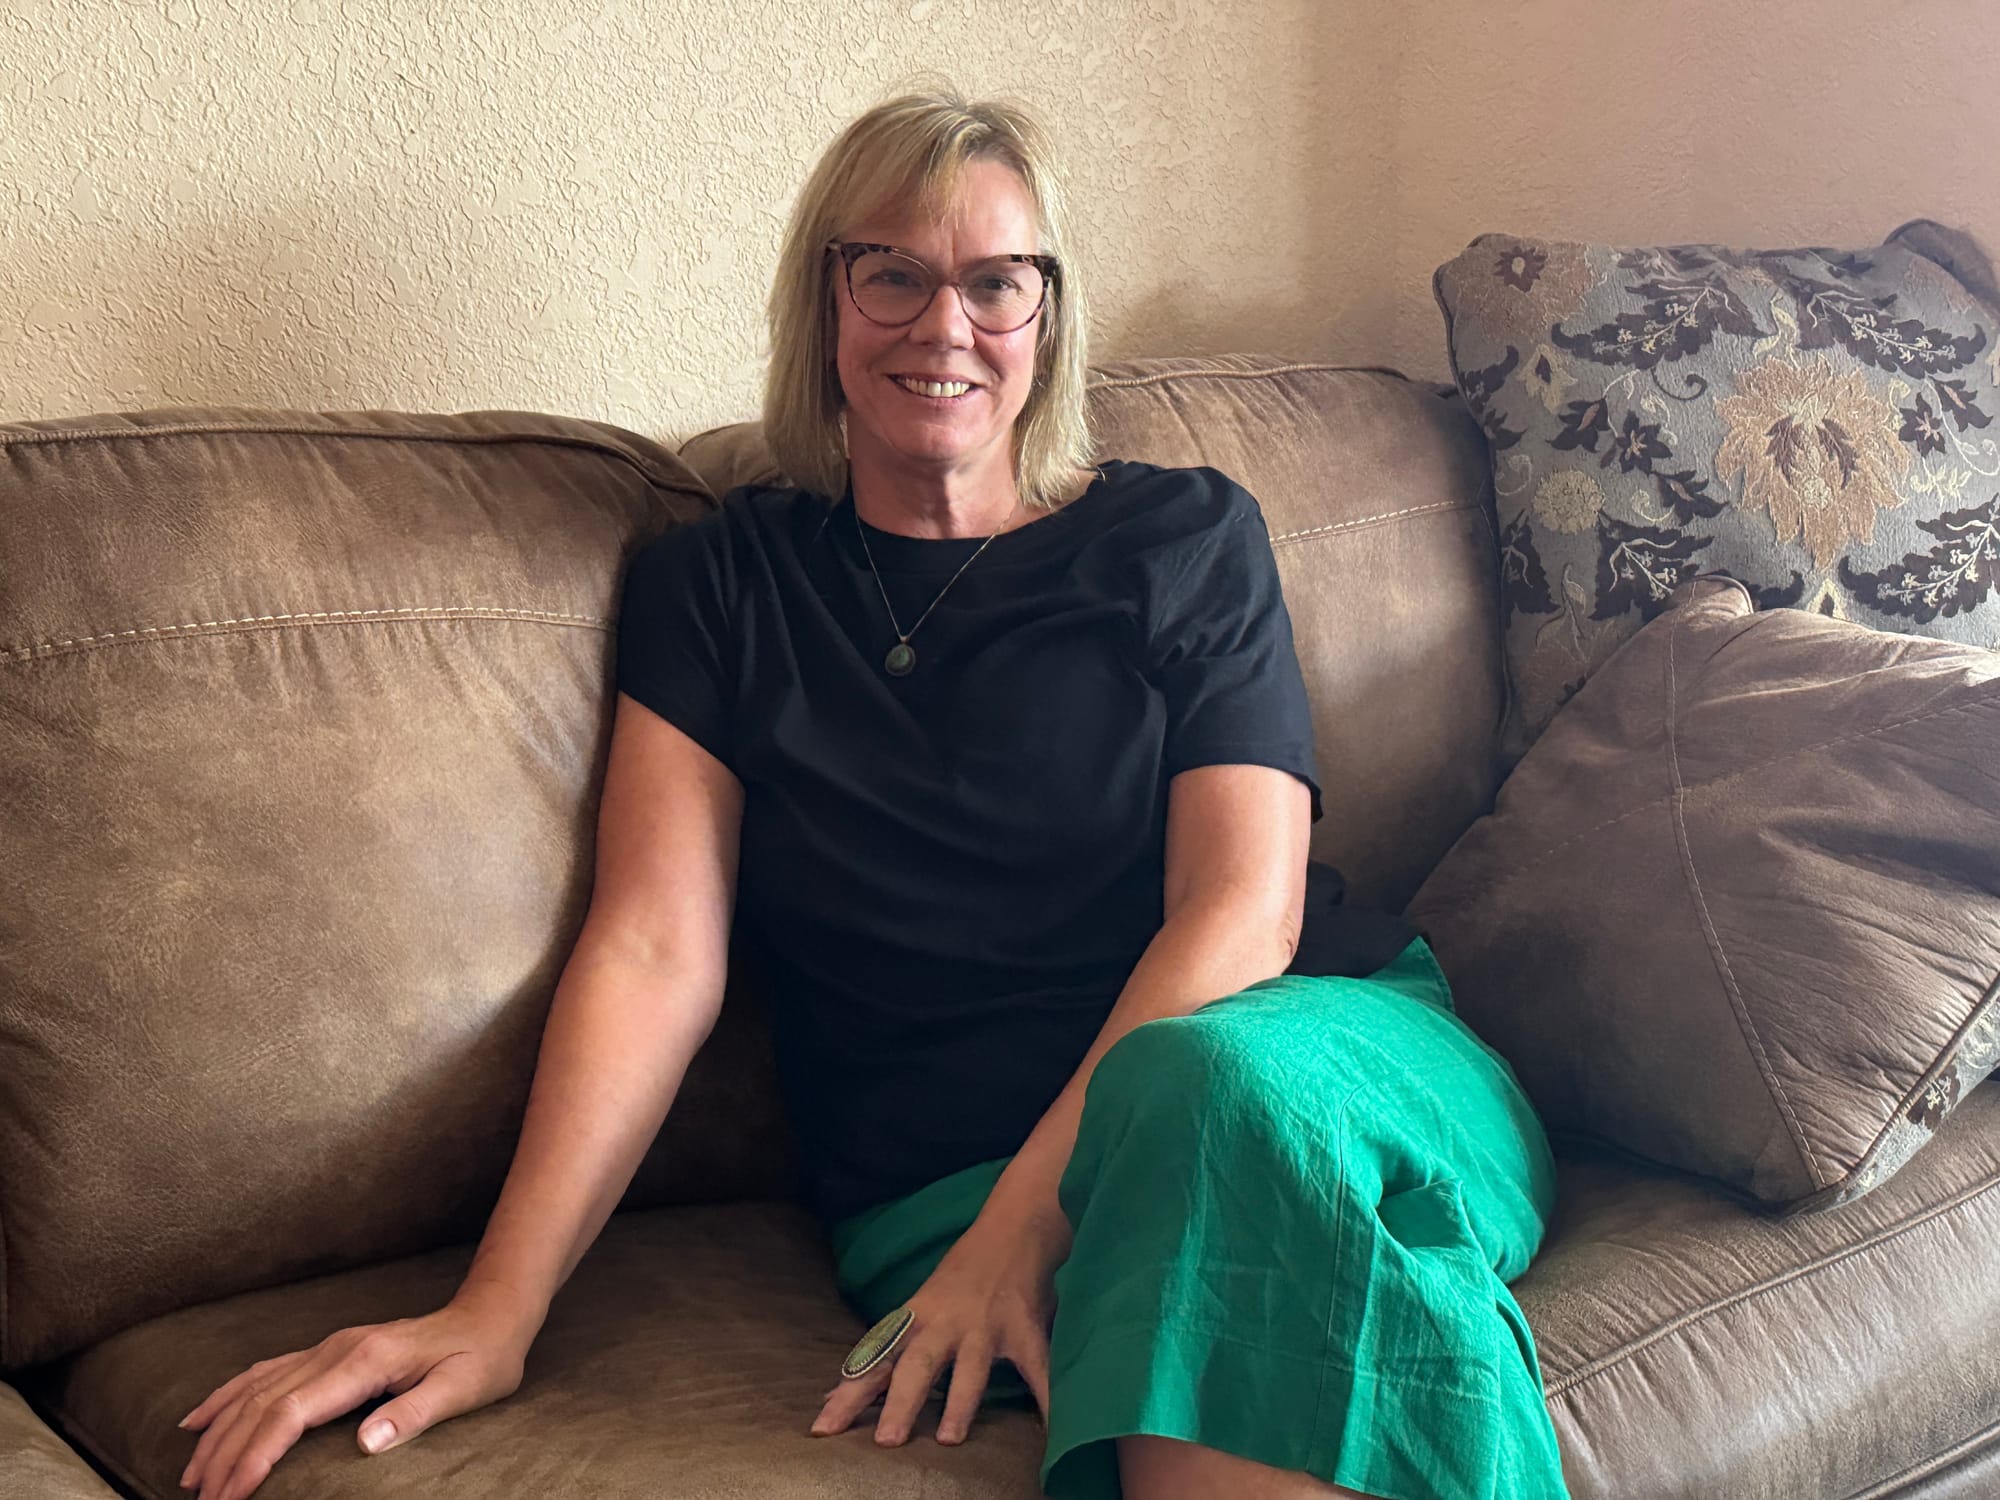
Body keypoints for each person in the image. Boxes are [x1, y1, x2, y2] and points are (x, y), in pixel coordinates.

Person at [174, 87, 1569, 1500]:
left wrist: (1021, 1235)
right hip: (939, 1181)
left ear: (1049, 310)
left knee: (1211, 1095)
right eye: (891, 272)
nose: (943, 324)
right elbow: (655, 953)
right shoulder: (719, 586)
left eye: (994, 282)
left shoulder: (1182, 535)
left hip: (1315, 1060)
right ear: (825, 300)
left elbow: (1242, 916)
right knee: (1335, 1287)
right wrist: (496, 1310)